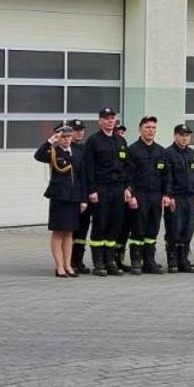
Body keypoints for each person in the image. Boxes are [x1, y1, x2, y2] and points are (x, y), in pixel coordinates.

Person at [82, 108, 132, 277]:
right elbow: (88, 168)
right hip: (101, 188)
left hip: (118, 188)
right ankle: (98, 263)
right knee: (100, 225)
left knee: (115, 224)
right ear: (100, 121)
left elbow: (126, 166)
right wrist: (92, 190)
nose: (110, 121)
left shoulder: (120, 141)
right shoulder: (93, 141)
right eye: (107, 118)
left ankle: (110, 261)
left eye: (113, 118)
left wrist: (127, 188)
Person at [38, 125, 84, 278]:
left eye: (69, 136)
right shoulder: (53, 151)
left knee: (69, 232)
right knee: (58, 231)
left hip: (73, 197)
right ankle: (59, 267)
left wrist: (83, 199)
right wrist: (51, 141)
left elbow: (82, 177)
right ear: (59, 137)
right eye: (63, 137)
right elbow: (38, 156)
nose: (66, 139)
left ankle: (68, 264)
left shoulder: (78, 152)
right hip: (59, 196)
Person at [125, 116, 168, 275]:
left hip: (156, 196)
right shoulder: (133, 150)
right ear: (140, 130)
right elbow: (128, 175)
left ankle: (149, 261)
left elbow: (165, 176)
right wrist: (132, 194)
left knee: (153, 229)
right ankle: (136, 261)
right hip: (140, 195)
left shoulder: (160, 151)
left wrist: (166, 195)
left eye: (153, 128)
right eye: (147, 127)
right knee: (138, 228)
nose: (150, 130)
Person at [161, 124, 194, 274]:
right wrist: (169, 196)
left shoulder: (193, 154)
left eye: (187, 135)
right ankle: (172, 259)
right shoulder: (168, 154)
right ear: (175, 136)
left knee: (188, 229)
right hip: (175, 198)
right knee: (174, 229)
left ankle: (183, 259)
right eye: (182, 135)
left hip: (190, 198)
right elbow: (167, 177)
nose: (185, 138)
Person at [68, 120, 92, 274]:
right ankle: (68, 260)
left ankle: (79, 259)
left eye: (81, 130)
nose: (79, 133)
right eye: (76, 130)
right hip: (70, 195)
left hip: (85, 194)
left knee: (82, 230)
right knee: (70, 229)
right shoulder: (65, 148)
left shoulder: (85, 149)